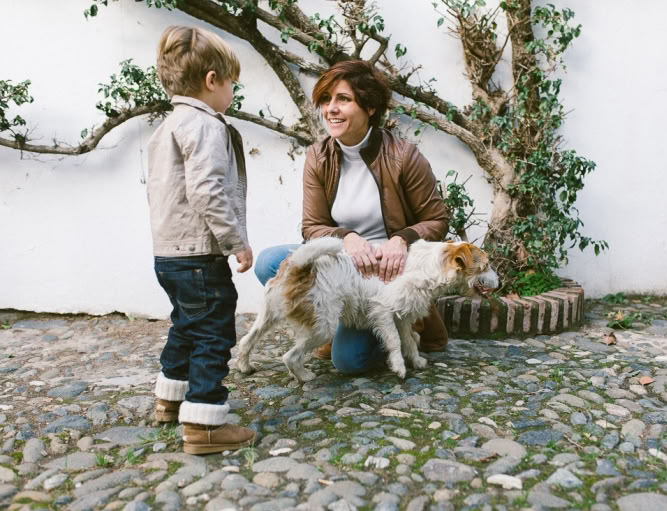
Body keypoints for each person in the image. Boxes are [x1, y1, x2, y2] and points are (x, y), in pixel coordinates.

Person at [254, 59, 450, 375]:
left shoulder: (403, 155)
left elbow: (437, 220)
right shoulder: (319, 156)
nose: (331, 108)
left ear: (370, 107)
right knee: (269, 263)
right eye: (326, 100)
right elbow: (312, 226)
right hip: (341, 267)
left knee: (349, 362)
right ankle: (331, 321)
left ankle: (410, 325)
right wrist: (348, 238)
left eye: (343, 99)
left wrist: (402, 240)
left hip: (384, 277)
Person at [147, 25, 256, 455]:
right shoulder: (206, 126)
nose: (232, 92)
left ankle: (169, 399)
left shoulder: (166, 127)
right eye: (232, 83)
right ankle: (206, 422)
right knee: (213, 331)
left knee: (187, 324)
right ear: (212, 80)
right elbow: (207, 189)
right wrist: (236, 242)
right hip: (199, 254)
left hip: (168, 254)